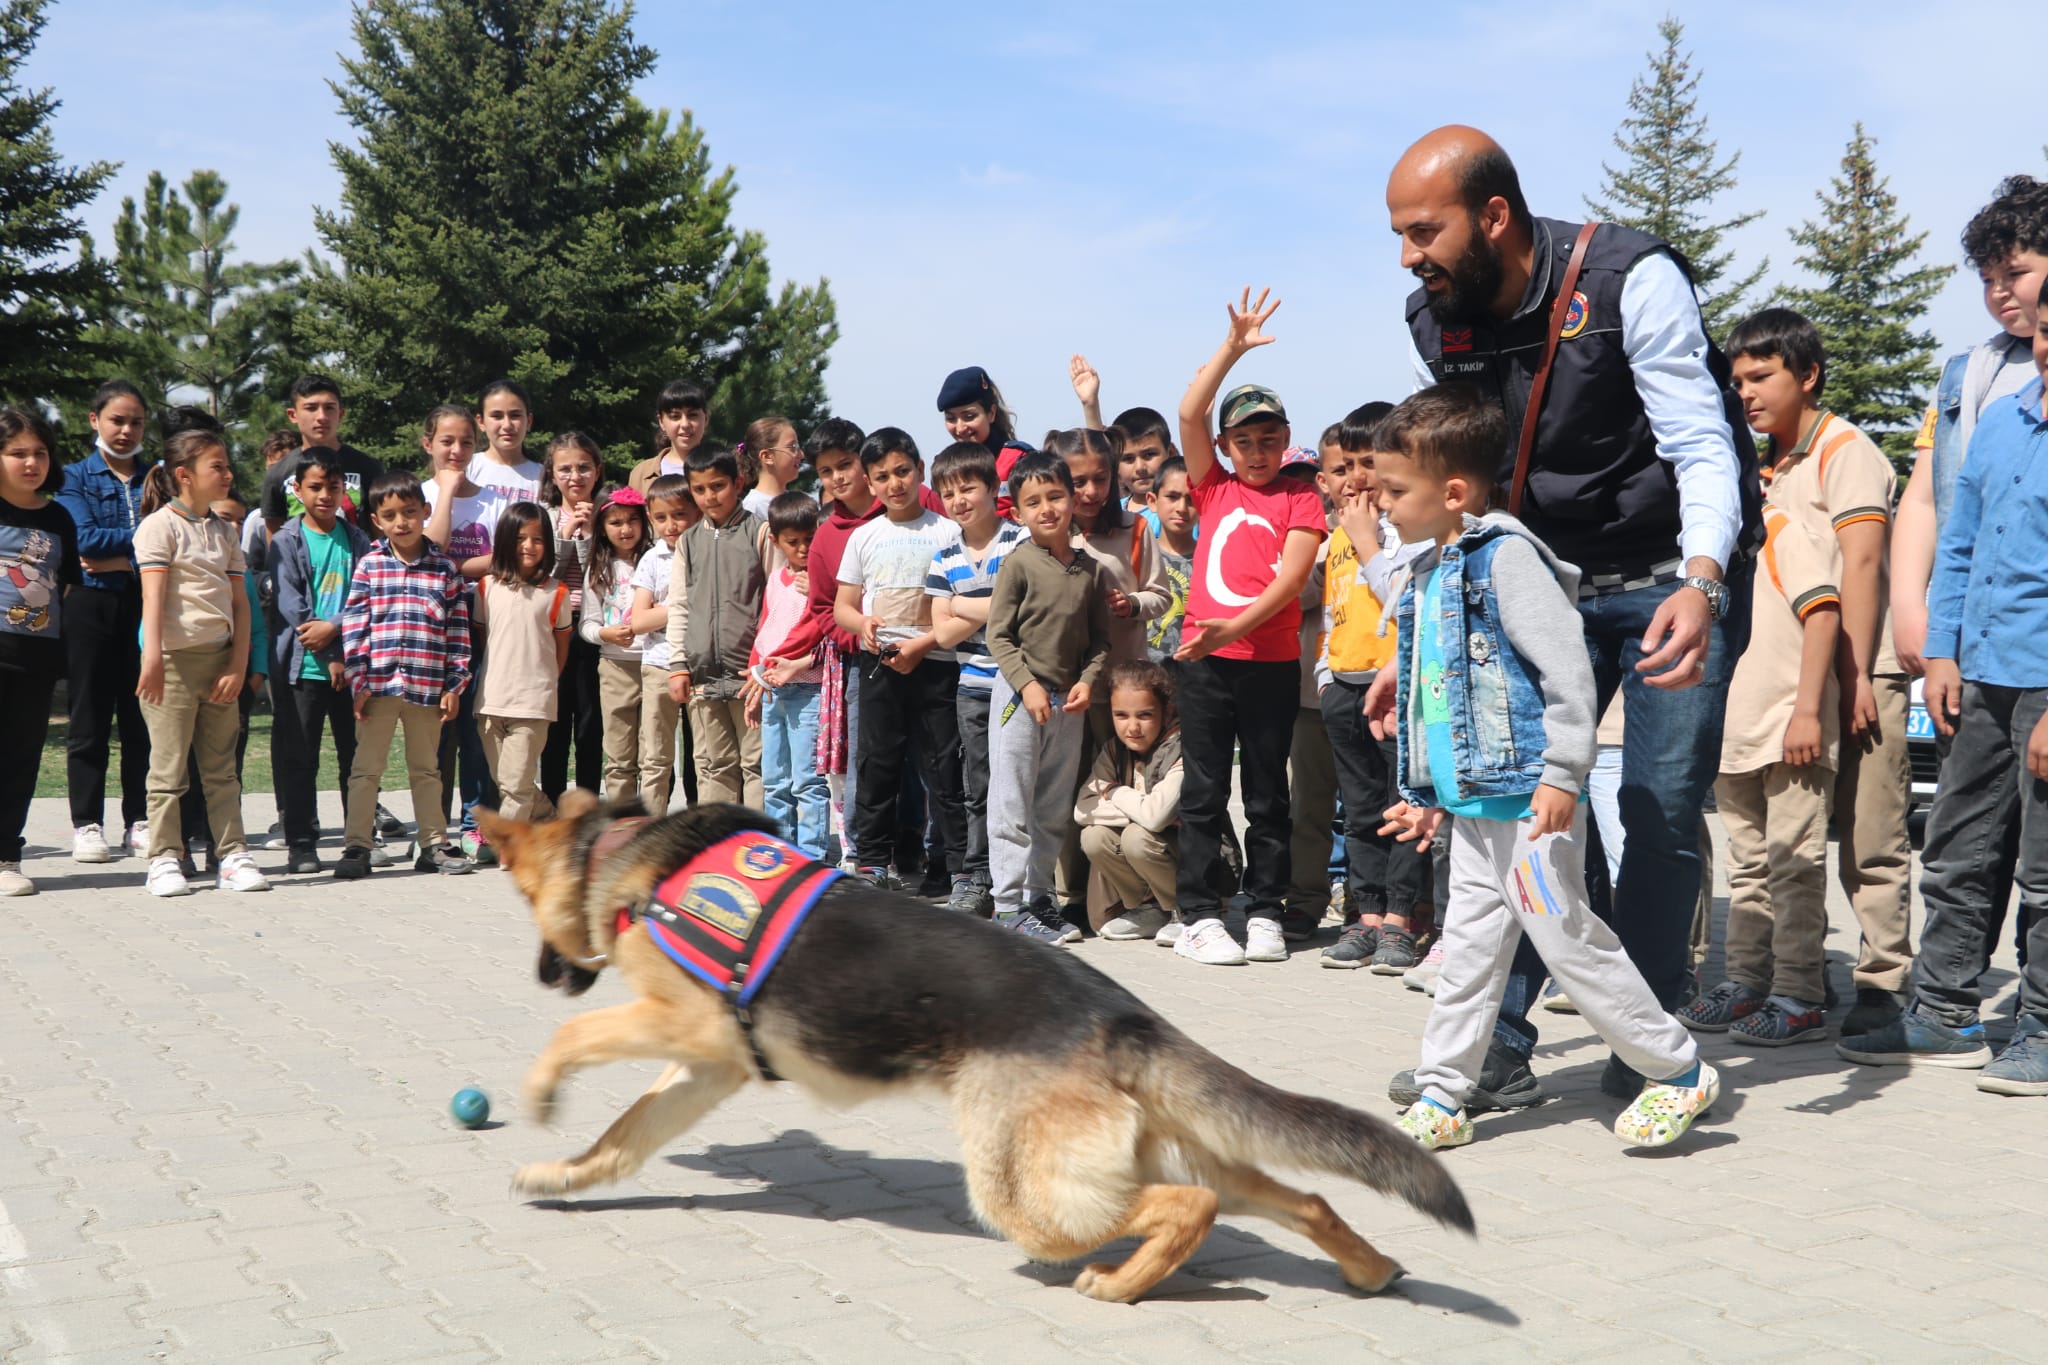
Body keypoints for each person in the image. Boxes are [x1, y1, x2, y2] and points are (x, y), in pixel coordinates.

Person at [1389, 125, 1758, 1104]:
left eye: (1423, 230)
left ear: (1494, 215)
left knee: (1655, 806)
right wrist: (1431, 626)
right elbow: (1460, 484)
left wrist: (1702, 579)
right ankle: (1496, 1049)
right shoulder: (1435, 320)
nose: (1407, 257)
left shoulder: (1629, 278)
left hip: (1665, 574)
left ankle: (1646, 1044)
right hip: (1538, 580)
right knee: (1508, 800)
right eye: (1398, 234)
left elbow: (1699, 444)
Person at [1364, 386, 1719, 1151]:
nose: (1381, 503)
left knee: (1568, 940)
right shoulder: (1431, 568)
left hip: (1529, 801)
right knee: (1466, 950)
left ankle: (1678, 1069)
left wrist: (1561, 774)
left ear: (1452, 492)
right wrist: (1429, 794)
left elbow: (1568, 675)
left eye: (1395, 489)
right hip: (1477, 806)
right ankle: (1444, 1091)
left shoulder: (1508, 560)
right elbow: (1440, 693)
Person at [1841, 278, 2048, 1094]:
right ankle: (1945, 1007)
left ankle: (2040, 1024)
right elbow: (1959, 542)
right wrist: (1943, 651)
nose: (2044, 347)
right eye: (2045, 332)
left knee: (2044, 866)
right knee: (1958, 846)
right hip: (1982, 673)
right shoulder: (2001, 420)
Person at [1724, 306, 1913, 1036]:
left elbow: (1862, 563)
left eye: (1762, 375)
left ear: (1808, 374)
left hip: (1864, 669)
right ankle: (1782, 981)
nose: (1747, 392)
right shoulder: (1771, 463)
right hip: (1800, 677)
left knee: (1870, 840)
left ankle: (1882, 986)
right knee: (1777, 848)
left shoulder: (1845, 450)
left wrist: (1860, 672)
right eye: (1739, 379)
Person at [1892, 177, 2048, 966]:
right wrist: (1912, 610)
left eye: (2014, 274)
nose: (1998, 295)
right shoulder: (1967, 374)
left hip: (2038, 645)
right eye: (1986, 279)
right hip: (1971, 634)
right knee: (1963, 827)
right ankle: (1945, 996)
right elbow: (1927, 497)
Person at [1169, 289, 1326, 967]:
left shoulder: (1300, 492)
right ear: (1226, 446)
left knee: (1268, 790)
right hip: (1204, 664)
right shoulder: (1214, 486)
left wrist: (1226, 625)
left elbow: (1292, 582)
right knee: (1203, 789)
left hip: (1266, 662)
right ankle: (1198, 915)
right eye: (1244, 441)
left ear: (1286, 440)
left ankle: (1264, 909)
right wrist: (1232, 347)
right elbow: (1188, 411)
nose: (1257, 451)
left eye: (1268, 439)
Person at [1685, 500, 1842, 1044]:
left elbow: (1823, 613)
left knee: (1794, 865)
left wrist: (1807, 710)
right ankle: (1746, 981)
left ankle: (1800, 995)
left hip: (1788, 725)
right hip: (1733, 733)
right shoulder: (1697, 550)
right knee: (1749, 866)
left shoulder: (1781, 526)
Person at [1316, 402, 1435, 972]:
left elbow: (1405, 604)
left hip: (1395, 693)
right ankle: (1365, 915)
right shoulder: (1336, 535)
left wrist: (1369, 538)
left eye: (1369, 463)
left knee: (1401, 807)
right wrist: (1325, 678)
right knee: (1359, 810)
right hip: (1343, 687)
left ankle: (1401, 920)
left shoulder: (1400, 533)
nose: (1358, 477)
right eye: (1346, 465)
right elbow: (1331, 614)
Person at [132, 429, 268, 897]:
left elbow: (241, 605)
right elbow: (153, 601)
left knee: (221, 768)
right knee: (169, 769)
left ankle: (232, 854)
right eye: (218, 466)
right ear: (184, 475)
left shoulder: (225, 530)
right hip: (170, 663)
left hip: (218, 664)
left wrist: (235, 664)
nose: (228, 474)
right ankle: (165, 858)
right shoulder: (158, 527)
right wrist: (152, 657)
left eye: (228, 466)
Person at [833, 429, 967, 892]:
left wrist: (925, 643)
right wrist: (862, 624)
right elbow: (843, 607)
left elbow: (961, 604)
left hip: (937, 664)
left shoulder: (949, 532)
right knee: (877, 765)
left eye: (902, 471)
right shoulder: (864, 536)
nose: (894, 483)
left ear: (920, 470)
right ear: (869, 483)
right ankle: (871, 862)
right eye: (882, 476)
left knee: (944, 767)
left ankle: (951, 867)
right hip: (880, 666)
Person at [986, 452, 1110, 943]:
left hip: (1069, 705)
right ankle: (1007, 907)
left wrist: (1087, 680)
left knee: (1052, 809)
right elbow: (999, 637)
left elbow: (1098, 639)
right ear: (1017, 512)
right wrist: (1028, 685)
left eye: (1055, 496)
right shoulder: (1018, 563)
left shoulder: (1089, 570)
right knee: (1011, 804)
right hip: (1021, 699)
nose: (1046, 509)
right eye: (1032, 502)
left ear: (1073, 499)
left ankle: (1040, 900)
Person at [338, 472, 472, 879]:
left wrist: (455, 684)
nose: (402, 522)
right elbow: (355, 625)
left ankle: (432, 845)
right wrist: (358, 680)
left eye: (410, 513)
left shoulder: (445, 569)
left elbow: (458, 631)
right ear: (376, 521)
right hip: (377, 686)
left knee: (427, 769)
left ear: (425, 512)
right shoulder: (369, 566)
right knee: (366, 769)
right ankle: (357, 846)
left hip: (427, 687)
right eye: (391, 515)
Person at [924, 441, 1028, 916]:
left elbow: (1025, 608)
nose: (959, 500)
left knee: (1021, 783)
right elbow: (942, 633)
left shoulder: (1020, 542)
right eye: (948, 493)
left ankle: (1024, 882)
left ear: (993, 487)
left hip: (1020, 685)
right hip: (972, 688)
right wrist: (995, 606)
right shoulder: (943, 556)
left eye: (968, 488)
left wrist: (963, 606)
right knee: (977, 785)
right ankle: (978, 876)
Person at [57, 379, 153, 864]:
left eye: (135, 421)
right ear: (95, 420)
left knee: (141, 716)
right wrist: (139, 548)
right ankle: (86, 823)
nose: (126, 430)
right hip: (90, 607)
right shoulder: (74, 476)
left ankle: (139, 819)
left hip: (146, 605)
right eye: (117, 420)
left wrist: (125, 560)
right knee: (89, 718)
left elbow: (169, 539)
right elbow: (85, 542)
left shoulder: (156, 476)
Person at [265, 450, 371, 875]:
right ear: (298, 490)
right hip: (302, 668)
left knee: (355, 758)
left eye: (333, 487)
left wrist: (339, 638)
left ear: (344, 489)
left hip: (351, 668)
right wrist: (328, 654)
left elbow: (366, 597)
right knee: (300, 757)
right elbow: (294, 607)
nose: (325, 495)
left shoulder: (358, 539)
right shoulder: (285, 541)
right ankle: (302, 843)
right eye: (315, 487)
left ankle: (357, 841)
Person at [665, 443, 773, 807]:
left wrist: (764, 665)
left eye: (718, 486)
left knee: (757, 765)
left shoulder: (760, 533)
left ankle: (759, 849)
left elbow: (776, 603)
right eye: (699, 489)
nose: (709, 496)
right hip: (702, 676)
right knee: (714, 765)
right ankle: (719, 847)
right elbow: (678, 605)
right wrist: (678, 665)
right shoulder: (688, 542)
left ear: (738, 483)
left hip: (751, 677)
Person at [0, 407, 80, 896]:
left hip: (35, 660)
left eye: (40, 453)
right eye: (17, 453)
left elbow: (64, 587)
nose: (31, 462)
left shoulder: (58, 518)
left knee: (21, 757)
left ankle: (7, 855)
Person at [419, 404, 500, 861]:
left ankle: (474, 823)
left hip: (478, 625)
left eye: (467, 442)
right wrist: (446, 493)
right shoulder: (418, 493)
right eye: (447, 441)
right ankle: (433, 827)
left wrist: (448, 566)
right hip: (428, 630)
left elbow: (503, 557)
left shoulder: (494, 502)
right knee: (433, 735)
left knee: (472, 728)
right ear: (427, 443)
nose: (457, 450)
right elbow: (427, 551)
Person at [475, 503, 571, 824]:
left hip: (533, 704)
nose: (529, 546)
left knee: (515, 787)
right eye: (520, 538)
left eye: (538, 539)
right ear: (504, 540)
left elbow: (561, 646)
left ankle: (511, 848)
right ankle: (552, 822)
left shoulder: (557, 592)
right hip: (490, 701)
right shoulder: (486, 587)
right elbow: (484, 637)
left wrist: (545, 684)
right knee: (510, 782)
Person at [1075, 659, 1185, 940]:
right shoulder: (1114, 750)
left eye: (1145, 715)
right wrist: (1140, 808)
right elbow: (1082, 809)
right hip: (1151, 841)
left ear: (1166, 711)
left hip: (1195, 861)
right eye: (1121, 715)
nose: (1132, 727)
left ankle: (1186, 910)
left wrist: (1113, 792)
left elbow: (1155, 818)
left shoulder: (1181, 747)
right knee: (1094, 836)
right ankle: (1149, 909)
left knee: (1137, 836)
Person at [747, 492, 829, 857]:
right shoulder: (776, 580)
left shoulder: (822, 583)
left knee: (807, 782)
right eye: (792, 542)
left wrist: (817, 590)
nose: (801, 548)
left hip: (806, 691)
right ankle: (781, 854)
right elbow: (766, 630)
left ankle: (811, 856)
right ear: (776, 541)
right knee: (775, 780)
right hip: (771, 692)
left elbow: (813, 633)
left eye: (809, 540)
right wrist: (756, 672)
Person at [539, 432, 603, 804]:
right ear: (552, 473)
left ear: (597, 471)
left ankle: (588, 804)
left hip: (594, 630)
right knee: (556, 722)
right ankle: (551, 802)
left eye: (583, 467)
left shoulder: (611, 514)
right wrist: (565, 535)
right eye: (565, 469)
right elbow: (548, 573)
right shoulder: (544, 516)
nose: (575, 476)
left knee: (591, 724)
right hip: (555, 630)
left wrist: (591, 533)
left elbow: (600, 572)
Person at [580, 486, 653, 805]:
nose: (625, 529)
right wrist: (605, 635)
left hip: (654, 664)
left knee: (654, 754)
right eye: (616, 522)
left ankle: (653, 824)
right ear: (602, 528)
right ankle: (622, 827)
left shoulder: (656, 560)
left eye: (632, 521)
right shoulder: (598, 568)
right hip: (614, 667)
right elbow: (587, 624)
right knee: (620, 755)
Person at [628, 475, 693, 813]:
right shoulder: (653, 560)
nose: (671, 525)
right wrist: (682, 606)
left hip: (699, 665)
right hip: (657, 665)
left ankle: (704, 828)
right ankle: (650, 828)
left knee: (705, 758)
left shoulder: (704, 551)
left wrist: (661, 611)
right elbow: (639, 621)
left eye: (679, 514)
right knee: (655, 757)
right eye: (661, 517)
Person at [260, 375, 385, 535]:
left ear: (340, 414)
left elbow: (380, 529)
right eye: (311, 408)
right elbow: (275, 540)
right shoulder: (277, 473)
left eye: (329, 408)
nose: (322, 417)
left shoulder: (368, 467)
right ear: (293, 415)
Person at [1066, 355, 1179, 518]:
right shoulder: (1114, 512)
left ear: (1171, 453)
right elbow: (1098, 452)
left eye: (1149, 455)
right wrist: (1090, 404)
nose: (1140, 467)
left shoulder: (1182, 508)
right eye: (1128, 459)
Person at [938, 366, 1034, 508]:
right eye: (951, 419)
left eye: (969, 417)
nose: (960, 428)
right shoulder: (945, 469)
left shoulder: (1018, 460)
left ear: (991, 413)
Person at [1144, 457, 1196, 666]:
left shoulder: (1211, 561)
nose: (1182, 508)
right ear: (1152, 501)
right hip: (1141, 676)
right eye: (1172, 497)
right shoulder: (1138, 555)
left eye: (1191, 499)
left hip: (1192, 679)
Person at [468, 379, 545, 506]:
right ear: (481, 422)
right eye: (497, 416)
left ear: (529, 421)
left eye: (515, 415)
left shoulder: (541, 475)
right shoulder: (468, 468)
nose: (507, 425)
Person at [628, 377, 707, 494]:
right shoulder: (642, 474)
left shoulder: (724, 467)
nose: (685, 424)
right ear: (661, 421)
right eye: (675, 416)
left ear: (706, 418)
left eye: (692, 415)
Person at [241, 428, 302, 566]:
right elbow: (250, 568)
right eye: (273, 468)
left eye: (286, 467)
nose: (279, 474)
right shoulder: (257, 520)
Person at [740, 416, 803, 519]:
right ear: (767, 456)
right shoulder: (753, 508)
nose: (801, 455)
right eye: (793, 447)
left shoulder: (798, 501)